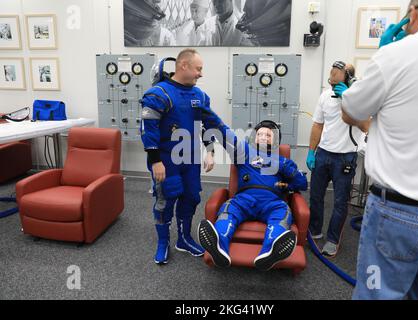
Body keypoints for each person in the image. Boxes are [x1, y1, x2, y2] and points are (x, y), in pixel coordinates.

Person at [338, 0, 418, 299]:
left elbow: (351, 110)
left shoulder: (398, 55)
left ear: (412, 12)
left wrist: (383, 54)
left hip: (401, 211)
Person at [140, 49, 227, 264]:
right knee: (166, 199)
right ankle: (163, 243)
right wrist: (155, 161)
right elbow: (147, 129)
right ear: (183, 66)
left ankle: (184, 239)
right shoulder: (159, 94)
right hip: (166, 160)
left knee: (191, 198)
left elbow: (208, 124)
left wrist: (210, 151)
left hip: (191, 159)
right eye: (198, 69)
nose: (201, 74)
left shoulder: (199, 96)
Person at [198, 120, 308, 271]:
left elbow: (303, 184)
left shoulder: (282, 161)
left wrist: (288, 176)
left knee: (282, 214)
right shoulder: (244, 152)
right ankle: (219, 247)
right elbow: (225, 136)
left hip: (272, 202)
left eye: (268, 135)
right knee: (228, 211)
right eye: (260, 134)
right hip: (244, 199)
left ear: (275, 140)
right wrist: (210, 147)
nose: (263, 137)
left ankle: (269, 253)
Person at [307, 61, 368, 257]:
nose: (331, 75)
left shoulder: (359, 98)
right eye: (331, 72)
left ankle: (333, 240)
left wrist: (348, 100)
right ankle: (314, 231)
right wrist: (311, 151)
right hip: (323, 154)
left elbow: (366, 126)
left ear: (348, 77)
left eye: (336, 73)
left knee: (340, 201)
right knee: (316, 196)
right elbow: (317, 125)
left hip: (345, 158)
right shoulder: (325, 96)